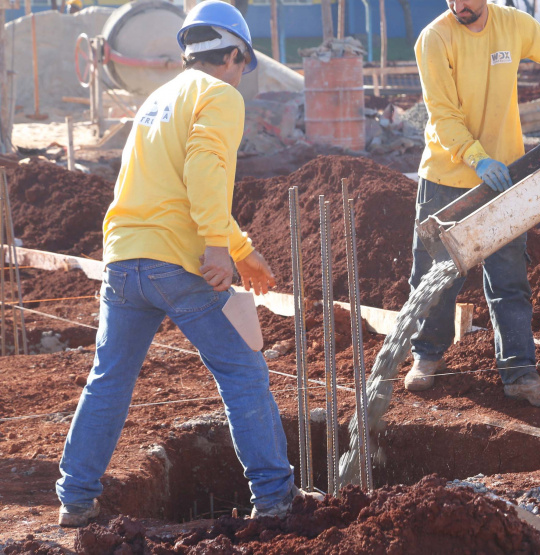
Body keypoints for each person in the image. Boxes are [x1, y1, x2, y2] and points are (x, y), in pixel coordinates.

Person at [55, 1, 316, 528]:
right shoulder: (220, 95)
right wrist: (219, 247)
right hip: (180, 263)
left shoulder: (157, 99)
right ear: (236, 54)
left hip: (124, 261)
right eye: (244, 64)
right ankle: (274, 498)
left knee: (108, 380)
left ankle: (75, 498)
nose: (242, 74)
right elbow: (204, 169)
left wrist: (241, 250)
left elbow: (161, 184)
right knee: (243, 375)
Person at [405, 0, 540, 408]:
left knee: (509, 280)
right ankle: (426, 357)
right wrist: (476, 157)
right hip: (448, 177)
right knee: (433, 276)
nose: (459, 5)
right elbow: (442, 115)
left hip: (504, 177)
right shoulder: (435, 38)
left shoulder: (513, 25)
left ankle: (520, 374)